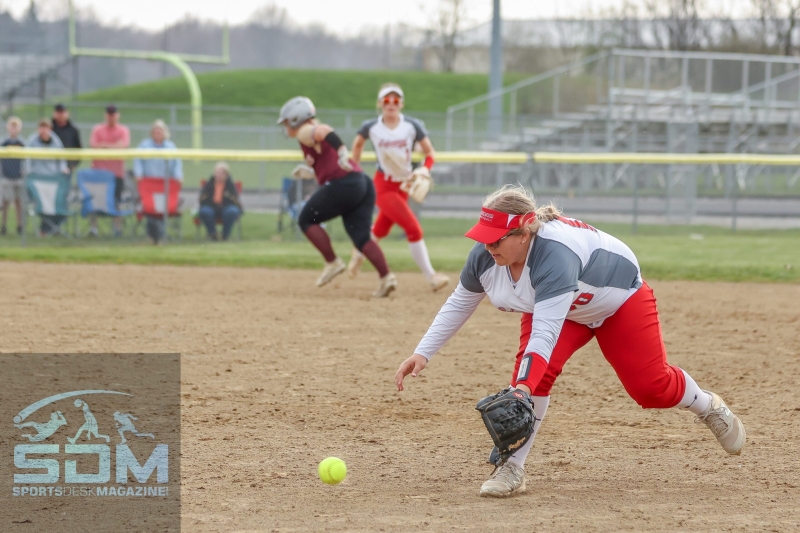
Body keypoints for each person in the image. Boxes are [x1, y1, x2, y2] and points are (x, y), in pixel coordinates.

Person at [395, 184, 746, 497]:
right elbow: (460, 302)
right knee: (533, 376)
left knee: (650, 388)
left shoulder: (554, 256)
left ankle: (706, 404)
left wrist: (522, 390)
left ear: (524, 233)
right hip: (561, 306)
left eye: (496, 238)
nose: (487, 246)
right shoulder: (486, 258)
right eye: (483, 236)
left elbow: (544, 335)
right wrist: (422, 352)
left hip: (618, 301)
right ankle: (512, 466)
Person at [278, 96, 397, 298]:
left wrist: (342, 150)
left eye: (288, 122)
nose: (286, 127)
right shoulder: (307, 134)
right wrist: (311, 170)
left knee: (306, 219)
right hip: (361, 182)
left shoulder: (305, 130)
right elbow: (327, 159)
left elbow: (325, 132)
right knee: (361, 237)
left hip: (345, 183)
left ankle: (332, 262)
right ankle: (387, 278)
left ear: (297, 118)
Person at [349, 84, 450, 292]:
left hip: (404, 184)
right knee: (413, 229)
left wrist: (424, 170)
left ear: (401, 104)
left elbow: (430, 154)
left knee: (380, 229)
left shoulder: (411, 126)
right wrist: (355, 169)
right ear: (380, 104)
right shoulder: (372, 127)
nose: (391, 104)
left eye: (396, 100)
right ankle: (431, 277)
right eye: (387, 100)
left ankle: (358, 250)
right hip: (383, 185)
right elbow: (357, 144)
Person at [133, 119, 183, 244]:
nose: (157, 133)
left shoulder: (170, 147)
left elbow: (177, 164)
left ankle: (160, 237)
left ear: (165, 132)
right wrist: (138, 174)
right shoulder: (144, 146)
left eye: (160, 131)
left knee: (162, 210)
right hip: (149, 183)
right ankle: (152, 236)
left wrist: (178, 176)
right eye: (155, 131)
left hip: (165, 184)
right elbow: (137, 161)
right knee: (150, 209)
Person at [89, 104, 130, 236]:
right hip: (99, 172)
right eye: (109, 114)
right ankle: (93, 229)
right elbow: (94, 146)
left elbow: (123, 146)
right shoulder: (97, 129)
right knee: (95, 201)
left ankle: (117, 229)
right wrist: (113, 146)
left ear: (118, 115)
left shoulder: (123, 130)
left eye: (114, 114)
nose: (111, 117)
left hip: (116, 174)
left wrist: (105, 145)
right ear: (105, 115)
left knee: (116, 201)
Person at [26, 119, 70, 236]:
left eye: (46, 128)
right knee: (43, 204)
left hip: (53, 178)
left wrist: (63, 169)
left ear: (50, 129)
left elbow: (61, 160)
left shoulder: (55, 141)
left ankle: (49, 229)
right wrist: (27, 170)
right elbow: (28, 160)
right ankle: (47, 230)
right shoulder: (32, 140)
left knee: (57, 203)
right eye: (41, 127)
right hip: (37, 178)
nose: (43, 130)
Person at [198, 162, 242, 241]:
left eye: (221, 173)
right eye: (216, 172)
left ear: (226, 174)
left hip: (225, 208)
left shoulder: (230, 185)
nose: (218, 175)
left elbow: (235, 200)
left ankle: (225, 235)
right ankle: (212, 234)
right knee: (205, 211)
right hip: (212, 207)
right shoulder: (209, 184)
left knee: (232, 211)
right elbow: (202, 199)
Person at [1, 116, 25, 236]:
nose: (13, 129)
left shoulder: (22, 143)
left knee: (18, 202)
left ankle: (20, 226)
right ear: (8, 128)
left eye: (16, 126)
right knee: (5, 202)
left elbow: (26, 160)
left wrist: (24, 170)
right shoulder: (4, 143)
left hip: (19, 178)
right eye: (12, 126)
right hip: (6, 177)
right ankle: (3, 225)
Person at [51, 103, 82, 175]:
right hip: (50, 167)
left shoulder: (73, 130)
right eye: (58, 112)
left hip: (67, 168)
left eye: (62, 112)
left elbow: (78, 149)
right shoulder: (49, 128)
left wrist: (73, 165)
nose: (60, 114)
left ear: (67, 113)